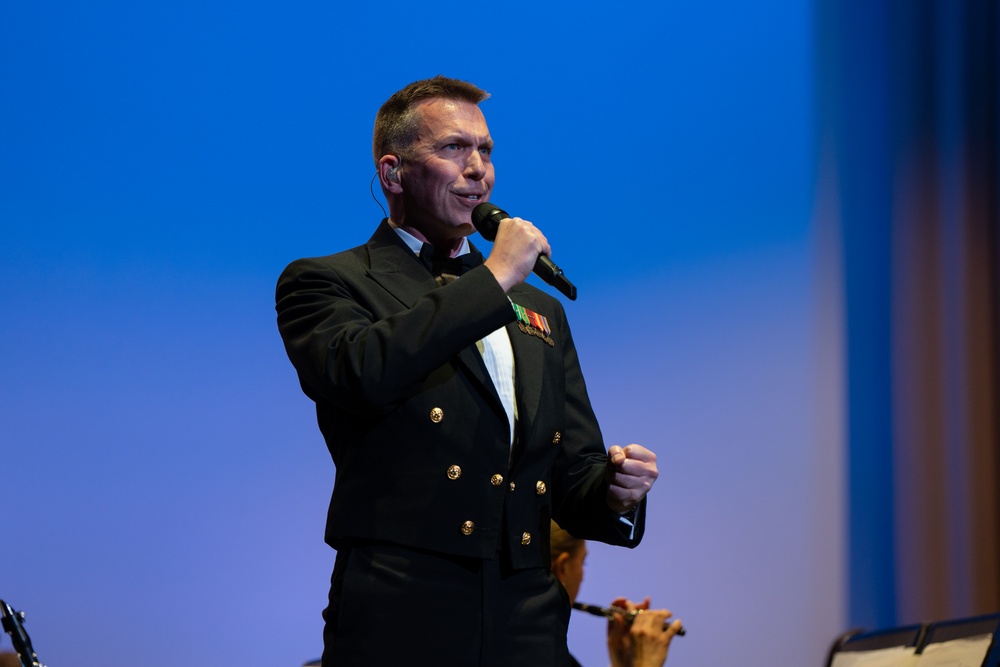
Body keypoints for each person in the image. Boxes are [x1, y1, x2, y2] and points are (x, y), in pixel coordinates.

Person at [275, 75, 660, 666]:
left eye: (486, 150)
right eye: (454, 148)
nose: (478, 168)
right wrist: (495, 279)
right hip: (402, 611)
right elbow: (361, 374)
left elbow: (567, 475)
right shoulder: (327, 282)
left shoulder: (540, 312)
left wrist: (613, 489)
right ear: (393, 173)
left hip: (527, 616)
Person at [550, 521, 683, 667]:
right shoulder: (544, 654)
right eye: (583, 562)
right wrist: (644, 663)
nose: (582, 576)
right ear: (563, 568)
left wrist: (621, 664)